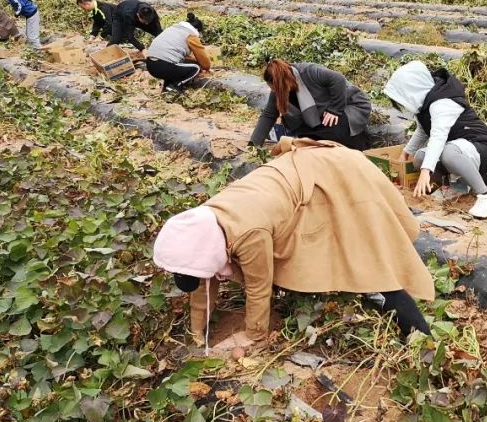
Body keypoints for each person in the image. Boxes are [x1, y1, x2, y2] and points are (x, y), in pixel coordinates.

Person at [153, 138, 435, 356]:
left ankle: (421, 338)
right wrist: (196, 332)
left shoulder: (247, 232)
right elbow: (203, 281)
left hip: (337, 174)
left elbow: (258, 287)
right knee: (324, 251)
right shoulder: (203, 226)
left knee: (366, 255)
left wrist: (253, 336)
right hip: (301, 174)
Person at [383, 61, 487, 219]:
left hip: (482, 148)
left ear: (413, 89)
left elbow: (438, 137)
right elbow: (423, 131)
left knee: (446, 153)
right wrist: (406, 153)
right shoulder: (426, 103)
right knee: (420, 157)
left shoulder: (442, 102)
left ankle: (486, 197)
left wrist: (426, 171)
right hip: (458, 148)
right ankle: (454, 188)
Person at [249, 58, 372, 151]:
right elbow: (269, 115)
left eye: (275, 89)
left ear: (283, 83)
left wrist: (335, 109)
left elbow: (338, 79)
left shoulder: (309, 71)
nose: (273, 91)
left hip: (349, 104)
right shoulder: (279, 90)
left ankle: (359, 145)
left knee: (333, 132)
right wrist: (253, 144)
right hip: (322, 113)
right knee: (306, 138)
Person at [144, 13, 212, 92]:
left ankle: (166, 90)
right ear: (197, 30)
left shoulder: (173, 29)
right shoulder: (191, 35)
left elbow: (176, 53)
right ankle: (174, 87)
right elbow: (205, 63)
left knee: (175, 68)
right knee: (195, 68)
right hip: (163, 65)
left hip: (150, 64)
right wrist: (207, 67)